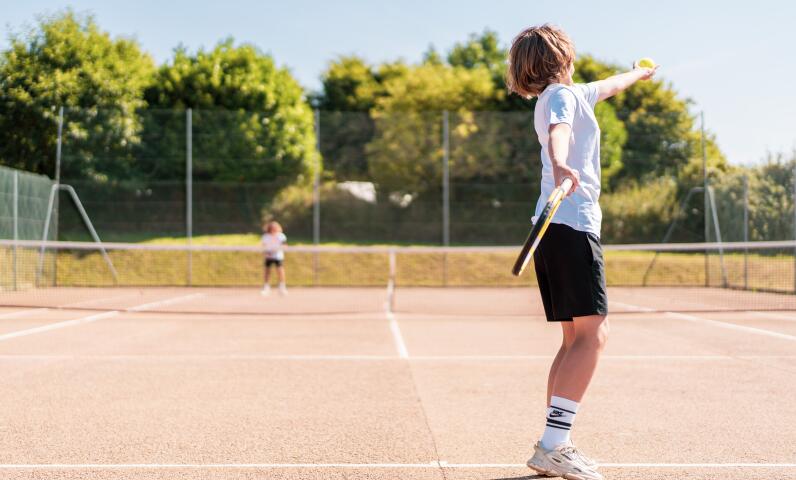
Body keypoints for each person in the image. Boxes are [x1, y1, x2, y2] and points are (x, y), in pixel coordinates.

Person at [506, 24, 657, 480]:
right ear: (563, 57)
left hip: (554, 227)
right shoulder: (560, 97)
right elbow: (560, 131)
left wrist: (637, 74)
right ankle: (554, 445)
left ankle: (554, 444)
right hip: (571, 224)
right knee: (594, 335)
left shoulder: (574, 95)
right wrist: (560, 163)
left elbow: (609, 85)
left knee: (575, 339)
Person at [261, 220, 288, 296]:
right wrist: (267, 252)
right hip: (268, 256)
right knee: (267, 271)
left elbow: (285, 245)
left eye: (275, 227)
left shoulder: (281, 236)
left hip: (278, 256)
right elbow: (263, 246)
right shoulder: (265, 236)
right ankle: (266, 287)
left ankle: (282, 287)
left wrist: (278, 249)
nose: (274, 229)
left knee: (280, 271)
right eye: (272, 227)